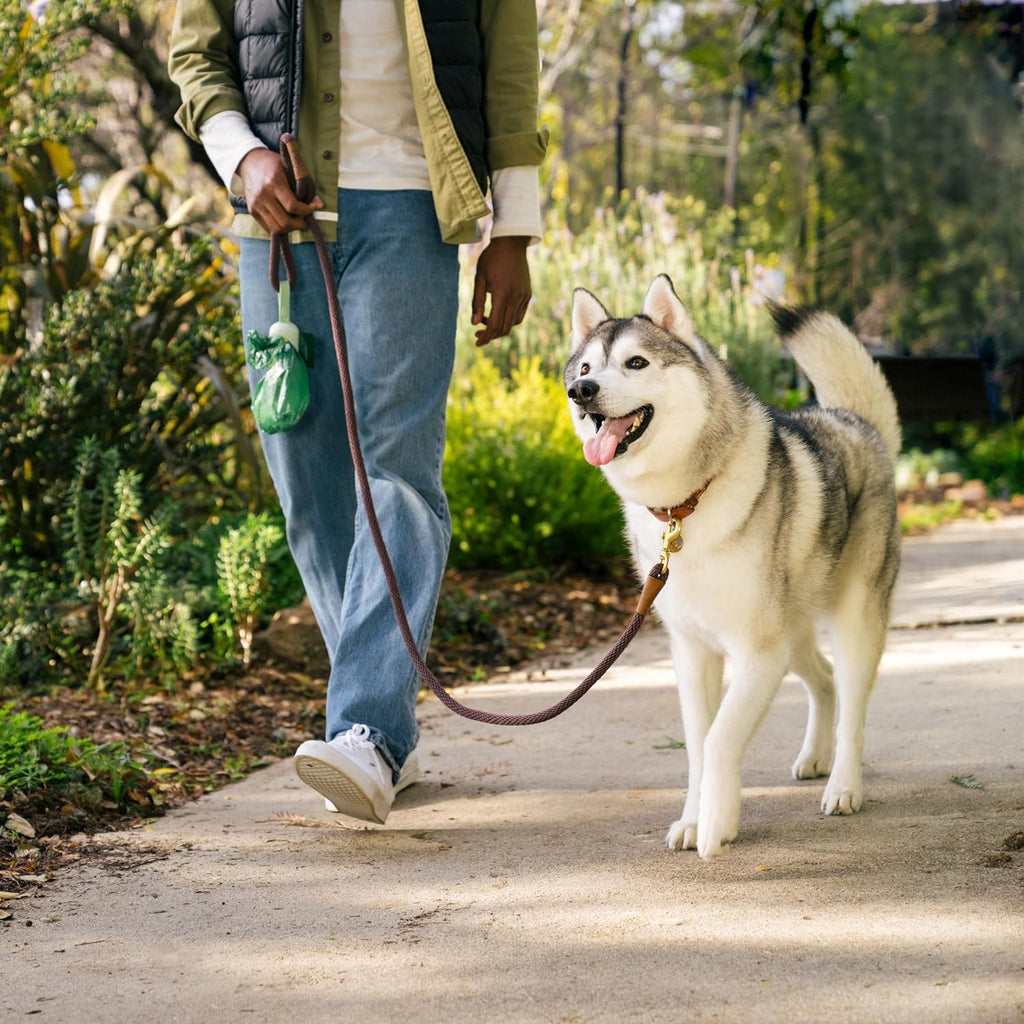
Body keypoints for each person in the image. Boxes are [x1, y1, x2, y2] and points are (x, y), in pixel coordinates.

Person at [169, 0, 547, 824]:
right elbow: (197, 56)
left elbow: (510, 63)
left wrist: (512, 227)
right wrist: (244, 161)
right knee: (306, 475)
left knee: (398, 472)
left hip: (411, 207)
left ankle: (367, 729)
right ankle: (383, 735)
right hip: (279, 218)